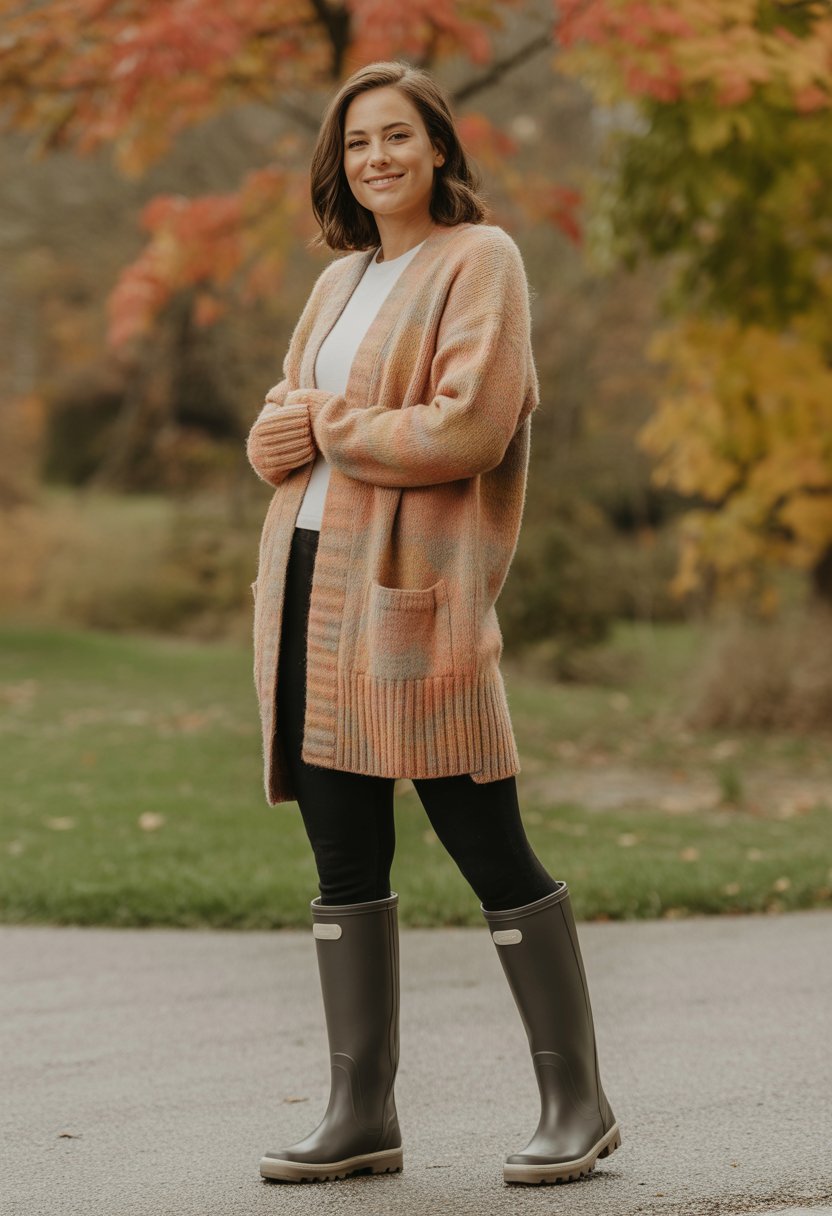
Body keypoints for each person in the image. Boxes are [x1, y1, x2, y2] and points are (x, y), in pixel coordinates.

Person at [246, 59, 621, 1188]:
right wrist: (286, 435)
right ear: (340, 163)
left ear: (440, 148)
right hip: (307, 584)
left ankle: (578, 1101)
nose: (377, 159)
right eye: (357, 143)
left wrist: (329, 423)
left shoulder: (480, 260)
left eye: (397, 137)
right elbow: (281, 428)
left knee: (485, 839)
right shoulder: (340, 278)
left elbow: (467, 426)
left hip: (413, 594)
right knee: (341, 852)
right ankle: (360, 1112)